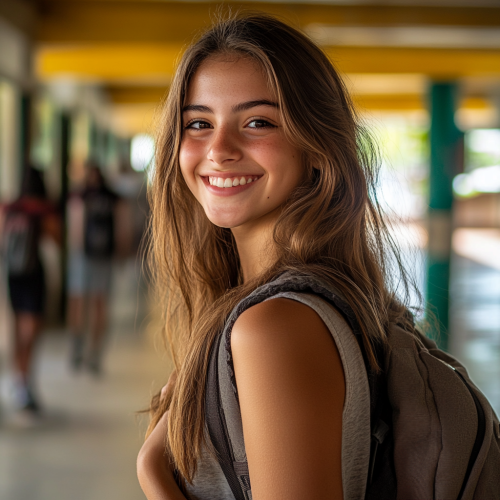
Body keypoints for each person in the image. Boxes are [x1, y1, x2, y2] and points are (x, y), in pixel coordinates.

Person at [137, 14, 419, 500]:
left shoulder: (274, 326)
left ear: (316, 147)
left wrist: (153, 472)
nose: (219, 149)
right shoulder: (293, 305)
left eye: (258, 122)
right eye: (199, 123)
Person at [0, 166, 59, 417]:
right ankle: (24, 382)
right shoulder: (42, 210)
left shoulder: (10, 209)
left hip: (13, 275)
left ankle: (18, 381)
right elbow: (56, 237)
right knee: (30, 330)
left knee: (16, 328)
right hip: (34, 276)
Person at [68, 164, 119, 375]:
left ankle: (77, 348)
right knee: (100, 304)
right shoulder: (112, 198)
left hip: (82, 256)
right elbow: (122, 230)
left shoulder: (79, 197)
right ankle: (95, 353)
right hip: (104, 257)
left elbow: (75, 231)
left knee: (79, 302)